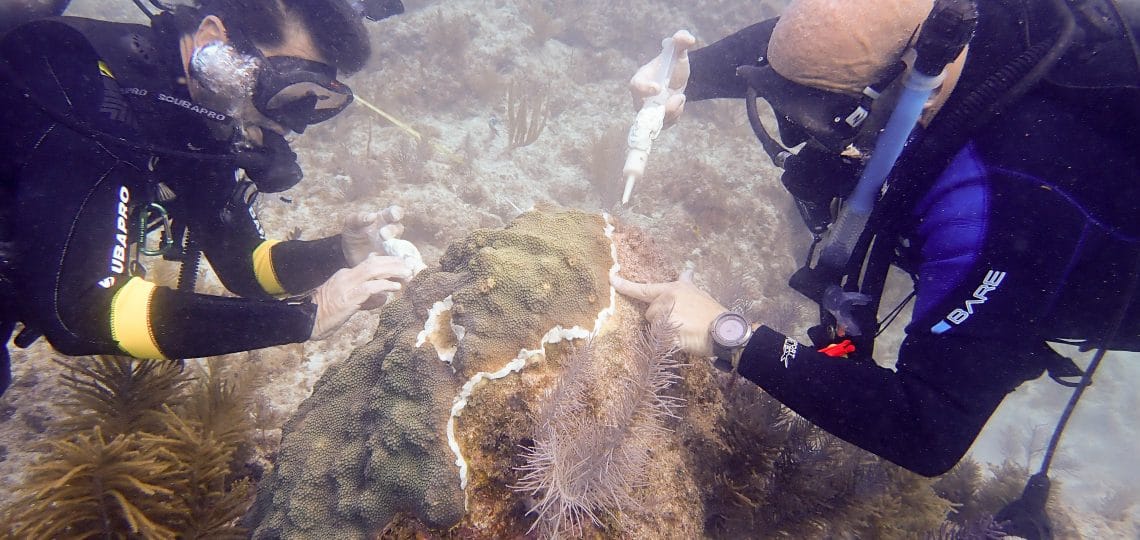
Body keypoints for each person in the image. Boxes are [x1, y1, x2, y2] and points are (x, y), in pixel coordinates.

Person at [617, 0, 1140, 477]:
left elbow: (928, 430)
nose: (799, 137)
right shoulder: (951, 31)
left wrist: (730, 335)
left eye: (828, 123)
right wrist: (691, 76)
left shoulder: (993, 204)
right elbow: (833, 47)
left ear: (920, 86)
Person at [0, 0, 413, 395]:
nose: (292, 126)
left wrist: (340, 252)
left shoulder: (193, 118)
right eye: (285, 89)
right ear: (213, 41)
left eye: (314, 103)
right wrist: (309, 316)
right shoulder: (82, 91)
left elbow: (246, 267)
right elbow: (81, 309)